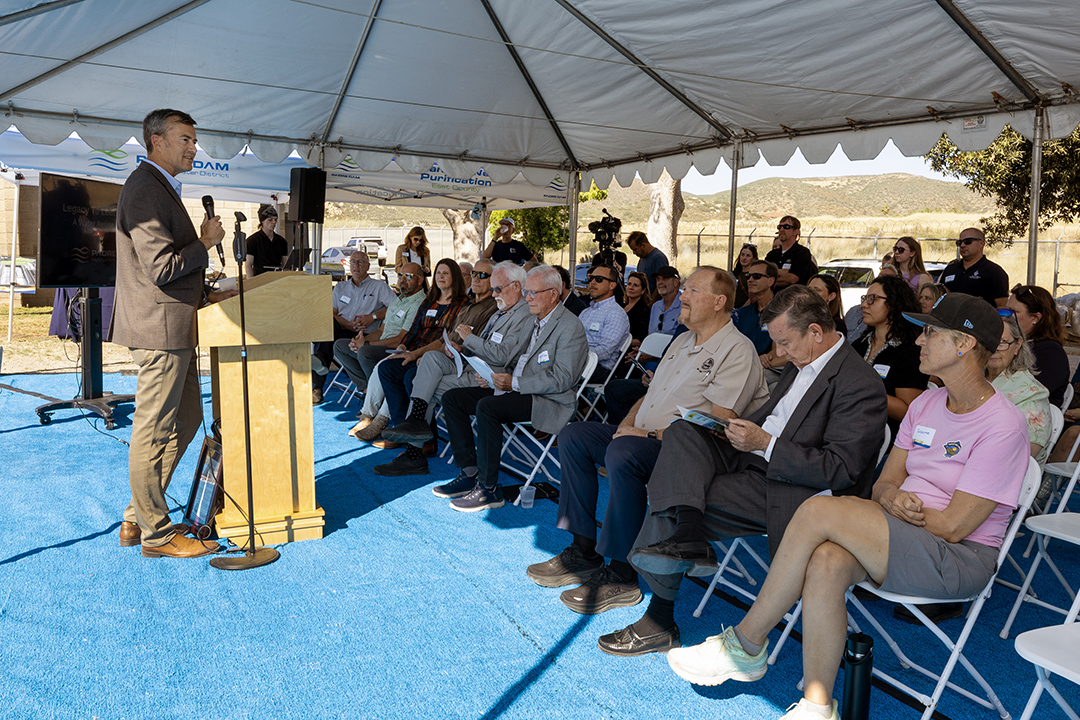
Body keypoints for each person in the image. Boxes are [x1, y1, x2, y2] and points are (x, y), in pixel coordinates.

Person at [661, 293, 1028, 720]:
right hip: (899, 535)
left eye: (930, 332)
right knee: (826, 561)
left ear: (963, 345)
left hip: (958, 558)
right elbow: (884, 483)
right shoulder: (927, 403)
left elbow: (952, 526)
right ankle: (818, 706)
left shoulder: (1003, 425)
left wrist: (893, 507)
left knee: (819, 510)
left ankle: (746, 643)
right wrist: (891, 498)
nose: (919, 341)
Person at [598, 285, 887, 658]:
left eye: (784, 343)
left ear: (816, 331)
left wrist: (764, 443)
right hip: (754, 460)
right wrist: (730, 431)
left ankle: (660, 618)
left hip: (796, 489)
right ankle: (689, 536)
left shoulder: (859, 383)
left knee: (676, 490)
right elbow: (773, 421)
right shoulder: (804, 361)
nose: (778, 354)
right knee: (684, 431)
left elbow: (840, 470)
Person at [527, 267, 769, 615]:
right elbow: (651, 394)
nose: (682, 296)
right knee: (575, 435)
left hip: (685, 457)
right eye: (684, 289)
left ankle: (622, 575)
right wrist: (627, 424)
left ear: (719, 302)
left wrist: (644, 435)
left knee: (624, 452)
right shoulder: (682, 340)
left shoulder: (737, 351)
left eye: (692, 291)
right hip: (643, 435)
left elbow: (716, 426)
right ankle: (583, 549)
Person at [110, 108, 234, 559]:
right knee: (153, 428)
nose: (193, 147)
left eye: (193, 140)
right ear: (156, 141)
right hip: (159, 330)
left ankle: (136, 514)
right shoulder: (145, 189)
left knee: (185, 421)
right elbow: (161, 268)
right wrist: (203, 243)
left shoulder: (158, 186)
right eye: (185, 139)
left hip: (175, 327)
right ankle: (157, 534)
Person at [437, 265, 588, 512]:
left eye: (533, 293)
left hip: (546, 399)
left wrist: (513, 383)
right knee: (453, 398)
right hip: (515, 389)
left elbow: (562, 378)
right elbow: (514, 358)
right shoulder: (533, 319)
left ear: (553, 293)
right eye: (526, 292)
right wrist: (493, 375)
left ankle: (488, 490)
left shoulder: (570, 327)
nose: (527, 298)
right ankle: (469, 471)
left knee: (487, 408)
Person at [377, 262, 535, 475]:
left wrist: (469, 340)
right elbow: (485, 345)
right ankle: (415, 424)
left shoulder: (522, 313)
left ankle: (415, 453)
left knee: (422, 383)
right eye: (494, 288)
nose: (494, 292)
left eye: (498, 288)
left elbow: (504, 355)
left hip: (489, 375)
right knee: (431, 358)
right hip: (471, 363)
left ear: (516, 286)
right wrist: (460, 347)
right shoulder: (503, 309)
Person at [376, 259, 499, 438]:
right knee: (387, 367)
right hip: (437, 355)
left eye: (482, 276)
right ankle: (403, 425)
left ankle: (423, 437)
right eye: (474, 274)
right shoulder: (454, 303)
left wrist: (420, 355)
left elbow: (462, 343)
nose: (476, 279)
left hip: (461, 364)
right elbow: (423, 332)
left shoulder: (469, 304)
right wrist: (406, 348)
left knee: (412, 375)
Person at [351, 258, 469, 442]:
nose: (441, 276)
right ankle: (397, 427)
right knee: (386, 367)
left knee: (405, 375)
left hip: (434, 358)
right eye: (438, 272)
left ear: (455, 277)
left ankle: (384, 421)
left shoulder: (462, 305)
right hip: (414, 351)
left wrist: (415, 353)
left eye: (446, 273)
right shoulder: (429, 302)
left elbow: (445, 339)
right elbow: (413, 331)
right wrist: (403, 346)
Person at [850, 275, 928, 439]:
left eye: (873, 299)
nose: (864, 304)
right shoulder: (860, 344)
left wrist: (863, 391)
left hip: (883, 437)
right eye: (865, 298)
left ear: (893, 304)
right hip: (849, 424)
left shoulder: (909, 351)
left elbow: (907, 411)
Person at [332, 262, 425, 400]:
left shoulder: (420, 303)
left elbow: (401, 339)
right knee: (339, 346)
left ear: (420, 280)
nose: (403, 280)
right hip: (380, 344)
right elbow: (381, 330)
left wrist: (368, 345)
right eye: (400, 275)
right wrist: (362, 340)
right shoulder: (398, 300)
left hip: (398, 349)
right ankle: (367, 390)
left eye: (409, 276)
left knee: (365, 352)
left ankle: (374, 398)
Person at [312, 251, 396, 403]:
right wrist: (348, 324)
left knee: (326, 341)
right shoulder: (340, 287)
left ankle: (318, 383)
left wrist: (373, 316)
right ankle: (321, 364)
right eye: (353, 262)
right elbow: (331, 313)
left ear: (368, 266)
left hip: (366, 334)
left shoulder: (379, 287)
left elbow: (396, 308)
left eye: (360, 262)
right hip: (341, 329)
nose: (356, 265)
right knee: (327, 324)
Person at [989, 312, 1053, 463]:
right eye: (989, 341)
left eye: (1003, 342)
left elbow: (1020, 458)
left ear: (1017, 345)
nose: (994, 348)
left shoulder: (1032, 395)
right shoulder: (971, 380)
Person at [1007, 283, 1069, 407]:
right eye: (1006, 310)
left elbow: (1023, 395)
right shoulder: (1013, 343)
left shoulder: (1050, 354)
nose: (1006, 317)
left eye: (1013, 312)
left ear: (1035, 318)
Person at [578, 263, 631, 382]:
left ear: (612, 285)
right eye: (590, 279)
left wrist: (576, 356)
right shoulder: (585, 312)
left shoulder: (616, 313)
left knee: (554, 370)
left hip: (599, 368)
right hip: (579, 362)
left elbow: (605, 351)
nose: (592, 283)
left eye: (599, 279)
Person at [937, 227, 1009, 307]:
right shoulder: (950, 269)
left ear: (981, 243)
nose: (962, 245)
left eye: (968, 242)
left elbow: (1002, 306)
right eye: (959, 242)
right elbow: (940, 297)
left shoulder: (994, 272)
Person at [732, 260, 776, 357]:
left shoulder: (782, 312)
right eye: (748, 276)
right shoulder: (741, 314)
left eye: (756, 276)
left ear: (770, 281)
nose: (750, 280)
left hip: (767, 366)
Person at [764, 216, 817, 288]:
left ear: (796, 231)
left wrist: (771, 278)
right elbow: (763, 274)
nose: (782, 229)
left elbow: (792, 279)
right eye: (779, 227)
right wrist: (784, 272)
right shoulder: (772, 255)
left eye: (786, 227)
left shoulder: (802, 253)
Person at [244, 204, 287, 277]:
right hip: (260, 280)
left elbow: (285, 262)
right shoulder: (252, 240)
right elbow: (248, 264)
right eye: (270, 220)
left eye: (275, 219)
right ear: (262, 221)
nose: (274, 222)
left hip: (277, 279)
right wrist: (251, 282)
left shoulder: (281, 241)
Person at [807, 273, 846, 339]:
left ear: (831, 296)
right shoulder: (798, 317)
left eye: (817, 290)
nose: (810, 293)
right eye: (808, 289)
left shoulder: (837, 325)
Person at [650, 266, 683, 336]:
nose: (660, 282)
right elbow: (650, 333)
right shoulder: (656, 306)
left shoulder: (685, 305)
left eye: (664, 279)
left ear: (676, 282)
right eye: (658, 279)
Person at [623, 271, 653, 342]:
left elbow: (640, 339)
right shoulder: (621, 306)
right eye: (629, 284)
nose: (631, 287)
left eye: (635, 285)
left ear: (643, 290)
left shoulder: (644, 310)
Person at [731, 243, 758, 308]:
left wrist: (741, 310)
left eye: (748, 255)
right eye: (742, 255)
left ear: (753, 259)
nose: (744, 258)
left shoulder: (755, 276)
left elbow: (754, 295)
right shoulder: (734, 274)